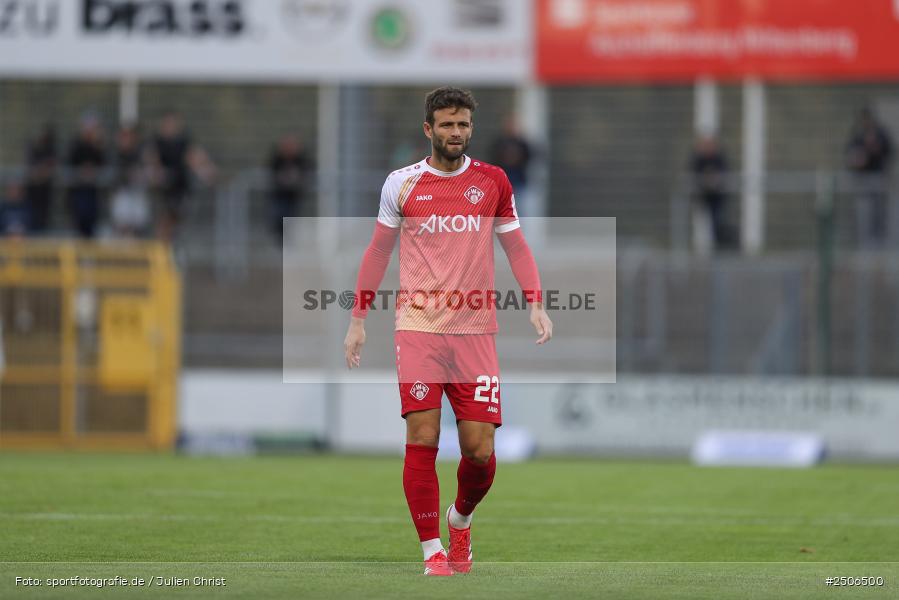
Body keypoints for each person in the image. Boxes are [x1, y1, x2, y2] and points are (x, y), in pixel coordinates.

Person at [343, 87, 553, 576]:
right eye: (447, 125)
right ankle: (432, 550)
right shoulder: (401, 184)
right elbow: (377, 252)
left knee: (480, 452)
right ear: (428, 129)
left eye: (463, 125)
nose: (455, 133)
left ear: (470, 129)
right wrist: (358, 319)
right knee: (423, 435)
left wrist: (536, 304)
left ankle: (461, 519)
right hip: (417, 328)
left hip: (476, 332)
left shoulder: (494, 181)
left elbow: (517, 247)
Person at [149, 110, 216, 242]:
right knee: (164, 220)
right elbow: (152, 159)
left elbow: (195, 157)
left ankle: (169, 246)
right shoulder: (157, 142)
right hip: (163, 190)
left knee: (176, 221)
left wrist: (207, 171)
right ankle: (162, 246)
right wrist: (156, 174)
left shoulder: (184, 141)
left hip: (181, 188)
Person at [846, 107, 893, 248]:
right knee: (864, 214)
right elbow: (850, 156)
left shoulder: (881, 134)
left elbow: (889, 151)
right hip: (863, 180)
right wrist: (857, 160)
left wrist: (876, 149)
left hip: (878, 179)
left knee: (880, 214)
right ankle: (865, 245)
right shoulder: (857, 136)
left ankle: (881, 244)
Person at [66, 113, 106, 238]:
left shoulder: (98, 146)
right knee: (79, 222)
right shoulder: (76, 144)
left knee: (91, 224)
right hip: (79, 192)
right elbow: (70, 163)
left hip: (93, 192)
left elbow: (103, 163)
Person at [268, 133, 312, 244]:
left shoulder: (300, 159)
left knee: (291, 219)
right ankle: (282, 241)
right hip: (280, 196)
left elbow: (307, 170)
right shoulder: (277, 158)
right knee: (279, 217)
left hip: (293, 197)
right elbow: (272, 172)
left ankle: (289, 242)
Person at [690, 134, 731, 249]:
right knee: (700, 223)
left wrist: (714, 180)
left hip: (716, 198)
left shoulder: (719, 158)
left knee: (717, 222)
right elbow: (693, 174)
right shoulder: (698, 159)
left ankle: (720, 246)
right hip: (702, 197)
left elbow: (724, 174)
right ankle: (701, 249)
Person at [110, 123, 151, 238]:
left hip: (137, 194)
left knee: (137, 227)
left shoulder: (141, 153)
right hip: (122, 193)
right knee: (122, 226)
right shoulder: (115, 153)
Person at [489, 115, 533, 215]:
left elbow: (529, 158)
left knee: (519, 211)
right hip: (502, 184)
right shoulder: (499, 143)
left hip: (518, 182)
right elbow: (493, 160)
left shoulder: (522, 143)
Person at [24, 123, 56, 234]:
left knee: (43, 220)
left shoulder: (50, 150)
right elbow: (31, 171)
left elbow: (50, 168)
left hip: (44, 192)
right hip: (33, 192)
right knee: (31, 218)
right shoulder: (33, 149)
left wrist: (42, 172)